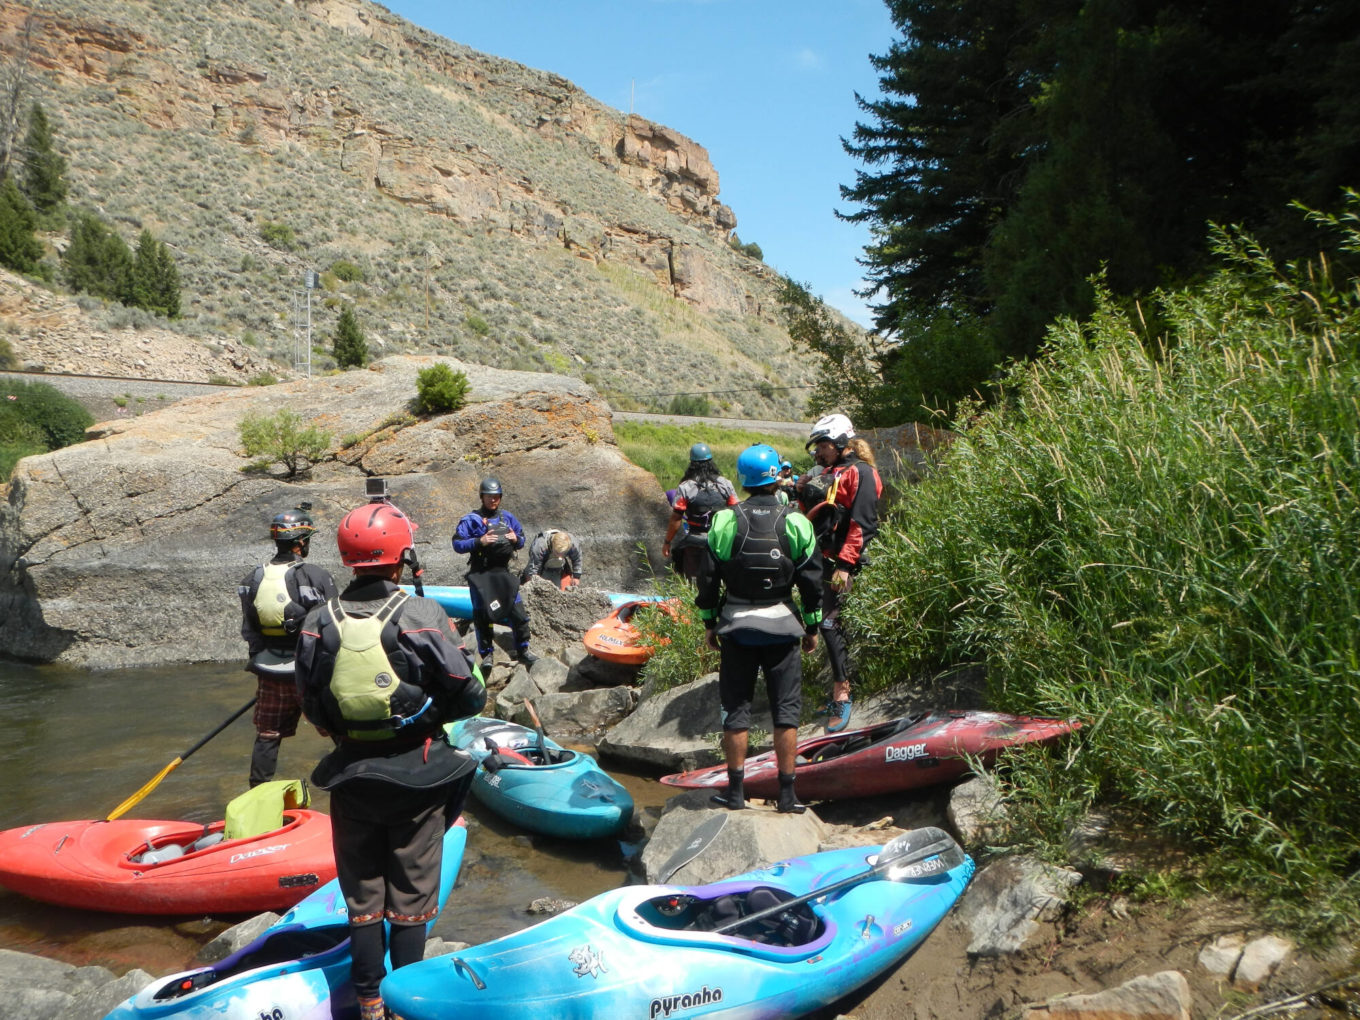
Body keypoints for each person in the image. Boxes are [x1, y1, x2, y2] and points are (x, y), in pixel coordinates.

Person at [295, 500, 486, 1020]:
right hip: (419, 776)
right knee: (411, 896)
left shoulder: (317, 621)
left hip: (351, 773)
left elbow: (311, 703)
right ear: (402, 555)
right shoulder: (423, 614)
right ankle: (405, 1003)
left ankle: (369, 1001)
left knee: (363, 897)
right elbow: (470, 697)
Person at [696, 443, 822, 814]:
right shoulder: (797, 521)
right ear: (776, 477)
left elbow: (707, 579)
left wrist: (709, 623)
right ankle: (787, 796)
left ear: (743, 479)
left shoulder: (724, 520)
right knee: (786, 712)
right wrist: (811, 627)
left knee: (735, 711)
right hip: (783, 630)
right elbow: (812, 583)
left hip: (736, 629)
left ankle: (735, 794)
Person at [237, 504, 337, 788]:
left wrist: (258, 662)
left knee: (268, 734)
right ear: (301, 543)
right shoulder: (315, 576)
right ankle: (354, 786)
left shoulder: (251, 579)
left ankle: (258, 792)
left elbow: (250, 630)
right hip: (309, 672)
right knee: (339, 730)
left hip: (268, 671)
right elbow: (333, 625)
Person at [799, 413, 882, 734]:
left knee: (830, 624)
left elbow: (863, 524)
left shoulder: (862, 473)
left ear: (839, 443)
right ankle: (837, 686)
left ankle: (843, 694)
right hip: (823, 560)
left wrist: (846, 566)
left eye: (821, 445)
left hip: (842, 565)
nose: (817, 453)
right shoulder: (832, 471)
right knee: (825, 623)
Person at [452, 477, 537, 671]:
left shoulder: (508, 518)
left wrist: (516, 539)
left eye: (496, 496)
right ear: (482, 497)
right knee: (482, 616)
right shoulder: (470, 520)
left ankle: (523, 651)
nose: (493, 500)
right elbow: (457, 544)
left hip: (503, 574)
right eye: (489, 497)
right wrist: (478, 541)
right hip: (481, 575)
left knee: (519, 614)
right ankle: (487, 654)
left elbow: (522, 540)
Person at [662, 442, 738, 583]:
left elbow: (676, 518)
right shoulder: (725, 484)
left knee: (685, 568)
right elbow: (737, 512)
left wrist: (667, 542)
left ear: (692, 464)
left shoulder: (686, 487)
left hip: (695, 540)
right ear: (711, 462)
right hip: (721, 541)